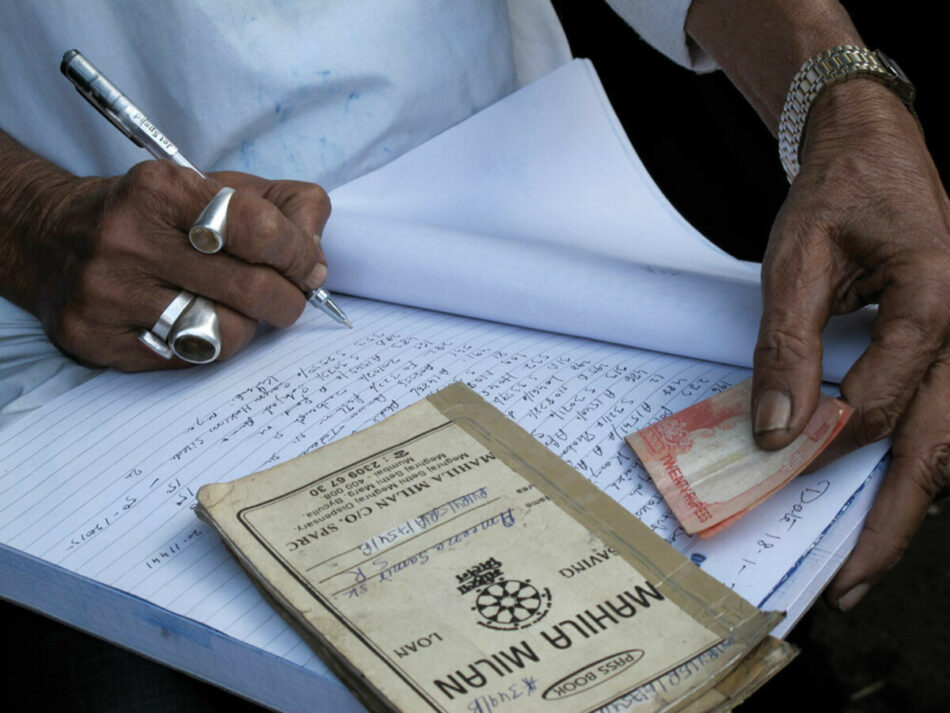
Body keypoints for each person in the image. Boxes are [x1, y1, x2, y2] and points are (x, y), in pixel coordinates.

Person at [0, 0, 946, 702]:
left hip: (498, 200)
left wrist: (843, 98)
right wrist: (28, 216)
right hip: (104, 297)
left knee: (713, 645)